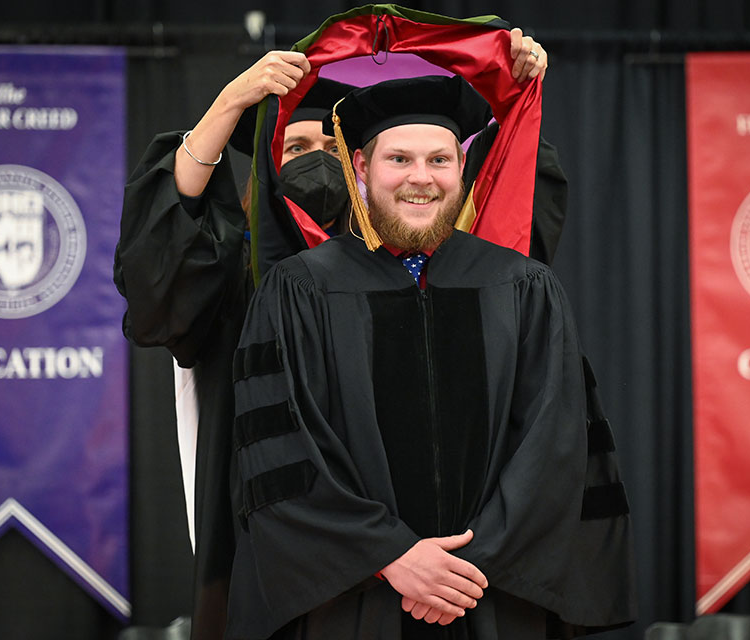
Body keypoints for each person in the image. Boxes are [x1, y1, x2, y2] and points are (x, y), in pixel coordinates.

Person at [113, 29, 555, 640]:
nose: (316, 161)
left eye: (330, 144)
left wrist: (514, 88)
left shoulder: (443, 268)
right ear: (269, 163)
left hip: (453, 572)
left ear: (358, 166)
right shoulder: (240, 270)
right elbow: (158, 272)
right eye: (295, 146)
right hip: (291, 547)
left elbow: (514, 218)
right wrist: (229, 106)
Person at [226, 75, 634, 640]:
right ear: (362, 168)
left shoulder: (523, 287)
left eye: (439, 159)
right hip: (353, 601)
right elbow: (283, 450)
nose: (422, 178)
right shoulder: (299, 291)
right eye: (400, 159)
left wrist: (469, 564)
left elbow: (557, 443)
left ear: (461, 172)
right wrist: (390, 554)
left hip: (490, 596)